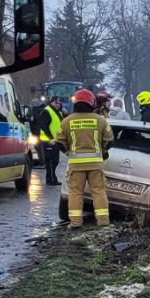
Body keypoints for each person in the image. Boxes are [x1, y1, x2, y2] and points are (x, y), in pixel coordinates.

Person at [58, 89, 112, 228]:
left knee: (75, 193)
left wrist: (69, 152)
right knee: (98, 191)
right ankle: (103, 221)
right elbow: (109, 140)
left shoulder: (67, 121)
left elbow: (60, 142)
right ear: (91, 103)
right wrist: (103, 151)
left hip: (76, 165)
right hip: (95, 164)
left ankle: (75, 222)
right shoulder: (101, 120)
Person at [36, 97, 66, 185]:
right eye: (55, 103)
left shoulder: (58, 112)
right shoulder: (47, 111)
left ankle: (52, 178)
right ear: (51, 103)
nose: (57, 104)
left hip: (55, 141)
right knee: (50, 161)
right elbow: (44, 126)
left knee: (55, 161)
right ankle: (51, 180)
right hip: (48, 141)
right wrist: (50, 138)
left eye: (59, 103)